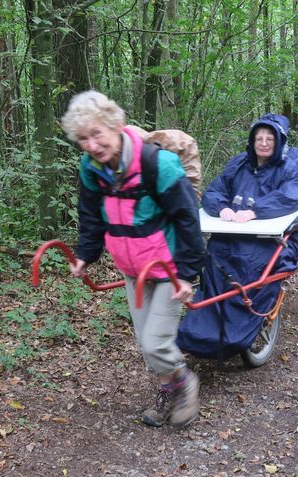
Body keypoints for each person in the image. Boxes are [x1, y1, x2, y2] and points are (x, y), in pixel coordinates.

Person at [60, 91, 205, 428]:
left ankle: (184, 383)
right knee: (147, 343)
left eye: (97, 133)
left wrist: (185, 274)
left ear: (117, 125)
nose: (93, 145)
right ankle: (169, 388)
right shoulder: (92, 169)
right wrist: (84, 255)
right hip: (132, 269)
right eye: (83, 139)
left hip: (168, 268)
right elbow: (91, 215)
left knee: (155, 342)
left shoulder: (158, 164)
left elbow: (188, 221)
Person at [177, 114, 298, 358]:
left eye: (270, 138)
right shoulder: (239, 165)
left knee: (253, 265)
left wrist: (255, 212)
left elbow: (289, 197)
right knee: (215, 256)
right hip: (231, 235)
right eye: (259, 138)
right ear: (252, 140)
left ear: (280, 141)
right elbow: (215, 191)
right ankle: (202, 329)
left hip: (267, 240)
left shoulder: (294, 167)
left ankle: (236, 333)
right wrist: (222, 208)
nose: (264, 143)